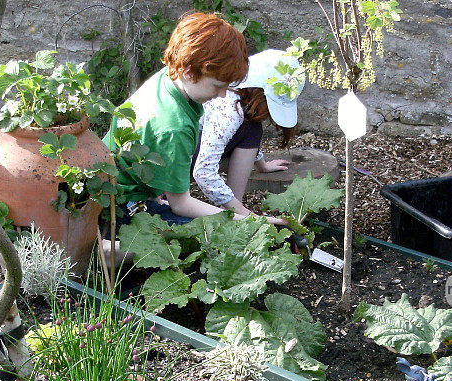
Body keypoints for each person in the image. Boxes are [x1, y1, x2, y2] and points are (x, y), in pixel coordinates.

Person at [102, 12, 249, 233]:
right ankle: (114, 248)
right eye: (217, 86)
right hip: (122, 207)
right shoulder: (174, 127)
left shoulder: (169, 76)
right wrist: (241, 220)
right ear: (189, 72)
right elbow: (181, 204)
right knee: (208, 235)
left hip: (114, 187)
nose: (221, 95)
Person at [192, 49, 305, 224]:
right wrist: (251, 216)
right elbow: (203, 172)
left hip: (199, 150)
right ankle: (235, 213)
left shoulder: (240, 103)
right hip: (184, 161)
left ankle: (233, 211)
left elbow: (245, 135)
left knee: (252, 128)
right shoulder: (230, 108)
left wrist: (262, 165)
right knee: (251, 128)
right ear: (259, 93)